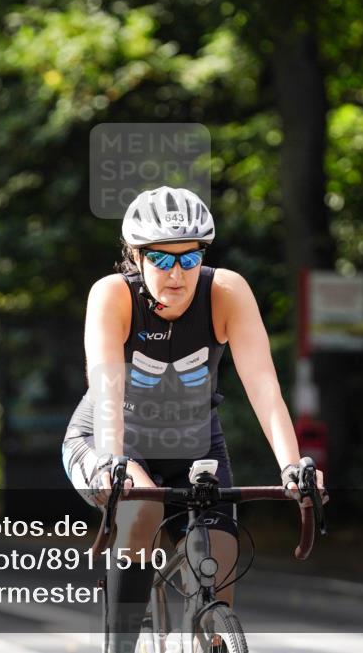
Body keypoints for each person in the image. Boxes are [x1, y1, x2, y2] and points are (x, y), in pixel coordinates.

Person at [61, 186, 325, 653]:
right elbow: (106, 390)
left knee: (219, 560)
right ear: (136, 257)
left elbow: (263, 385)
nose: (178, 273)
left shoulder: (226, 291)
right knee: (141, 507)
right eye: (161, 259)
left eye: (191, 257)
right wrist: (113, 464)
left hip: (196, 444)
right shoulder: (113, 296)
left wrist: (292, 465)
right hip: (109, 436)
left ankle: (208, 636)